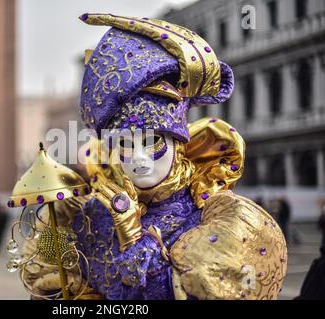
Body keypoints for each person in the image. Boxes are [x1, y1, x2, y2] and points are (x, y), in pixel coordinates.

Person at [16, 14, 287, 300]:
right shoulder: (87, 216)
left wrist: (135, 241)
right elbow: (53, 288)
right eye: (124, 144)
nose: (139, 159)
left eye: (153, 142)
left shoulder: (215, 219)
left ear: (178, 143)